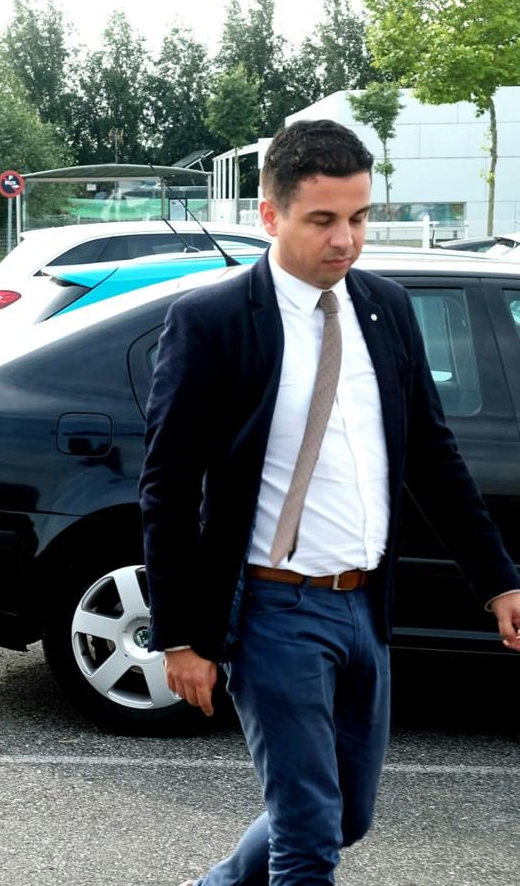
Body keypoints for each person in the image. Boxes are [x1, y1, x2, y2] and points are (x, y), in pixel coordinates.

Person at [139, 119, 520, 885]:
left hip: (364, 604)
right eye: (322, 220)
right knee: (308, 841)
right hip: (273, 611)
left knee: (345, 814)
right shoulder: (212, 324)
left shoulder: (383, 306)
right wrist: (181, 636)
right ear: (270, 215)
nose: (344, 240)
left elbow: (433, 457)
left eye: (357, 217)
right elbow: (168, 489)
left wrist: (497, 578)